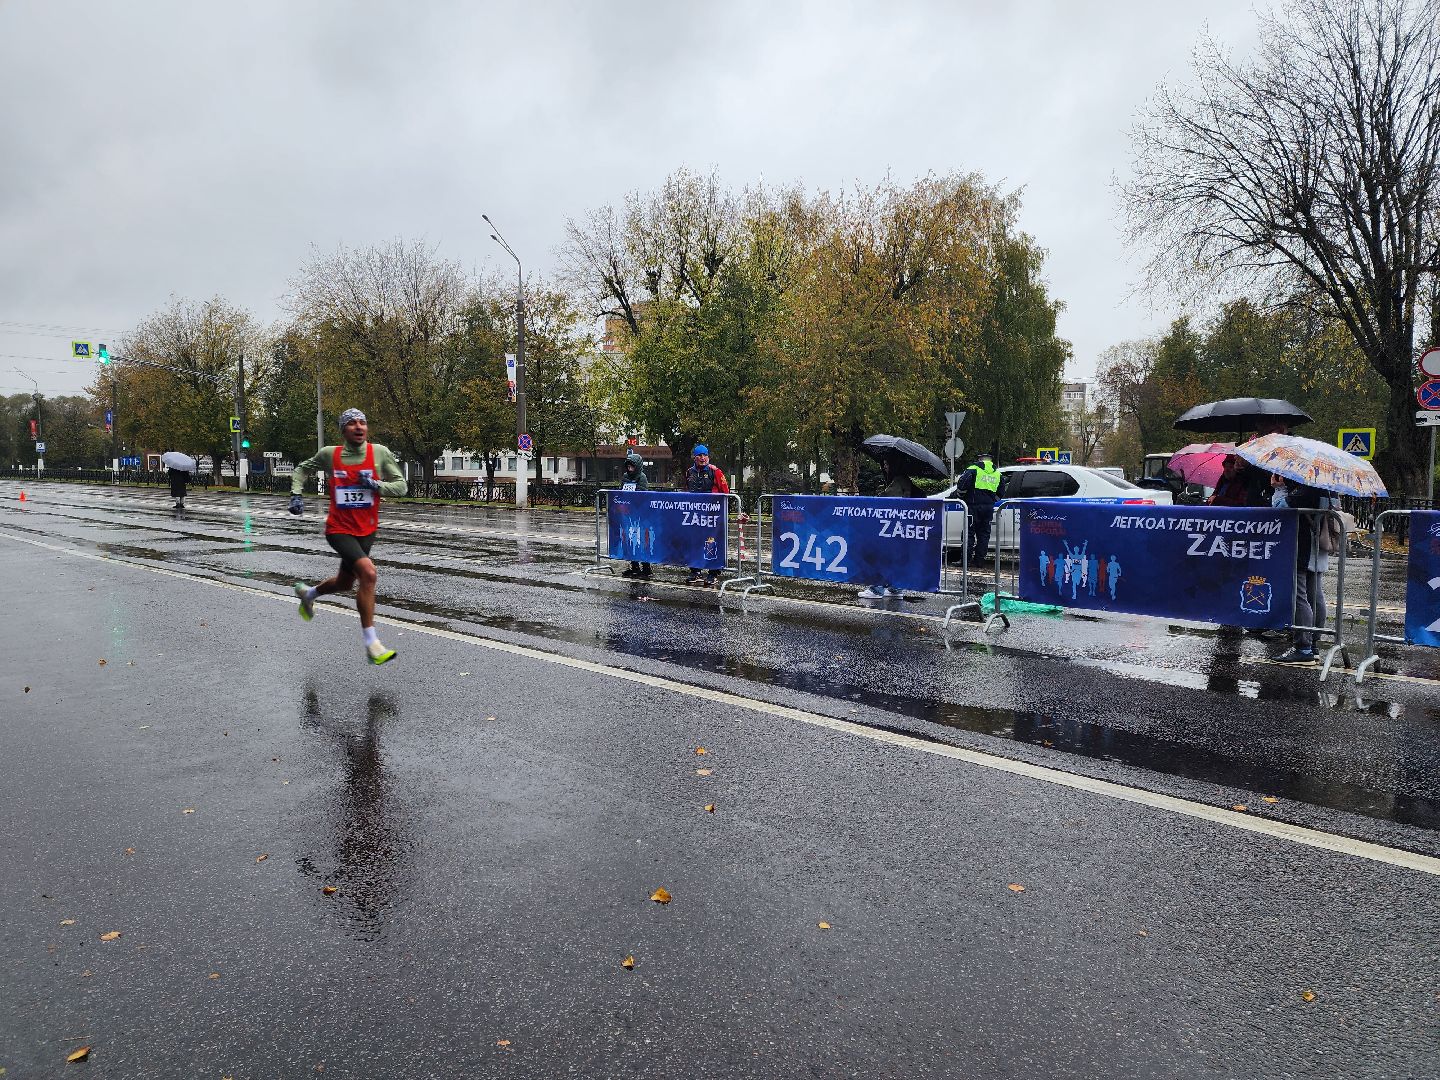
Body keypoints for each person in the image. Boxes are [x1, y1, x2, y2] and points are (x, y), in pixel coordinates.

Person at [288, 408, 408, 665]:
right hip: (338, 529)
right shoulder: (330, 454)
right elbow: (301, 470)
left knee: (344, 583)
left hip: (367, 531)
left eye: (362, 422)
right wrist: (296, 494)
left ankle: (309, 594)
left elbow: (401, 486)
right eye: (352, 423)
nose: (358, 426)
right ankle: (372, 644)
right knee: (369, 573)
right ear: (343, 430)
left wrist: (376, 485)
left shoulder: (379, 453)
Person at [1271, 474, 1331, 665]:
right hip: (1317, 544)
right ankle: (1312, 644)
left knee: (1299, 594)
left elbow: (1279, 508)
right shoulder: (1328, 484)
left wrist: (1279, 488)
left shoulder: (1307, 487)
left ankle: (1303, 647)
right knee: (1315, 593)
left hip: (1302, 544)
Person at [859, 461, 922, 600]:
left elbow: (888, 501)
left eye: (887, 464)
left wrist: (878, 497)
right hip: (900, 526)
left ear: (895, 466)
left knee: (883, 556)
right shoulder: (904, 480)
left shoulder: (898, 481)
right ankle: (895, 588)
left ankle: (877, 589)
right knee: (896, 557)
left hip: (892, 527)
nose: (885, 466)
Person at [684, 444, 729, 586]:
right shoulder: (689, 472)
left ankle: (713, 573)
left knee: (711, 542)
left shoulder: (715, 472)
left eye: (705, 455)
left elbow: (726, 492)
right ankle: (695, 571)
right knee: (694, 541)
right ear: (695, 457)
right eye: (699, 455)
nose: (702, 458)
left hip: (712, 515)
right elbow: (687, 491)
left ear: (708, 457)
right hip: (695, 515)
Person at [953, 451, 1001, 565]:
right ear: (991, 460)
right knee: (984, 534)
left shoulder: (973, 469)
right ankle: (979, 561)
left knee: (968, 533)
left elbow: (962, 485)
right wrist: (991, 500)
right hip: (988, 508)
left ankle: (965, 561)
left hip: (973, 506)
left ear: (980, 459)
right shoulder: (997, 473)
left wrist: (960, 496)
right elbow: (1001, 492)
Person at [618, 450, 652, 578]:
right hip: (627, 513)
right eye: (628, 466)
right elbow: (621, 491)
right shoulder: (625, 476)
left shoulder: (642, 477)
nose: (629, 468)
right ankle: (634, 566)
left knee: (641, 540)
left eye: (632, 466)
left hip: (640, 514)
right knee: (630, 540)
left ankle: (646, 567)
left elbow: (642, 494)